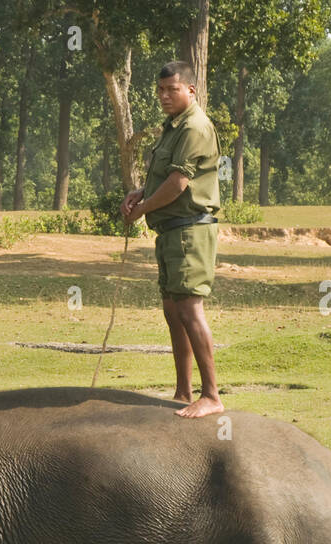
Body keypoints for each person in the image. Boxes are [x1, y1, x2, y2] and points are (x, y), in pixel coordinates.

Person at [121, 60, 223, 419]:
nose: (164, 96)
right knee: (172, 310)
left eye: (172, 90)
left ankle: (211, 395)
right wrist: (140, 192)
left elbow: (180, 183)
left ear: (190, 90)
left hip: (190, 229)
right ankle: (184, 390)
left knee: (189, 309)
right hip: (170, 230)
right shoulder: (172, 128)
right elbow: (167, 177)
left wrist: (143, 207)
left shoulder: (195, 127)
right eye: (161, 90)